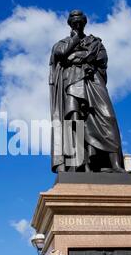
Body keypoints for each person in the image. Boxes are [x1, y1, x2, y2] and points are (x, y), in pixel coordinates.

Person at [49, 10, 125, 173]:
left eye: (80, 21)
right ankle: (83, 164)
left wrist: (78, 56)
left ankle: (115, 164)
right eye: (74, 22)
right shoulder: (62, 42)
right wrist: (75, 39)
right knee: (74, 122)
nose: (77, 24)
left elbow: (101, 59)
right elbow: (61, 53)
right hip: (71, 83)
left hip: (92, 81)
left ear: (84, 22)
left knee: (108, 117)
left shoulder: (95, 41)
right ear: (70, 24)